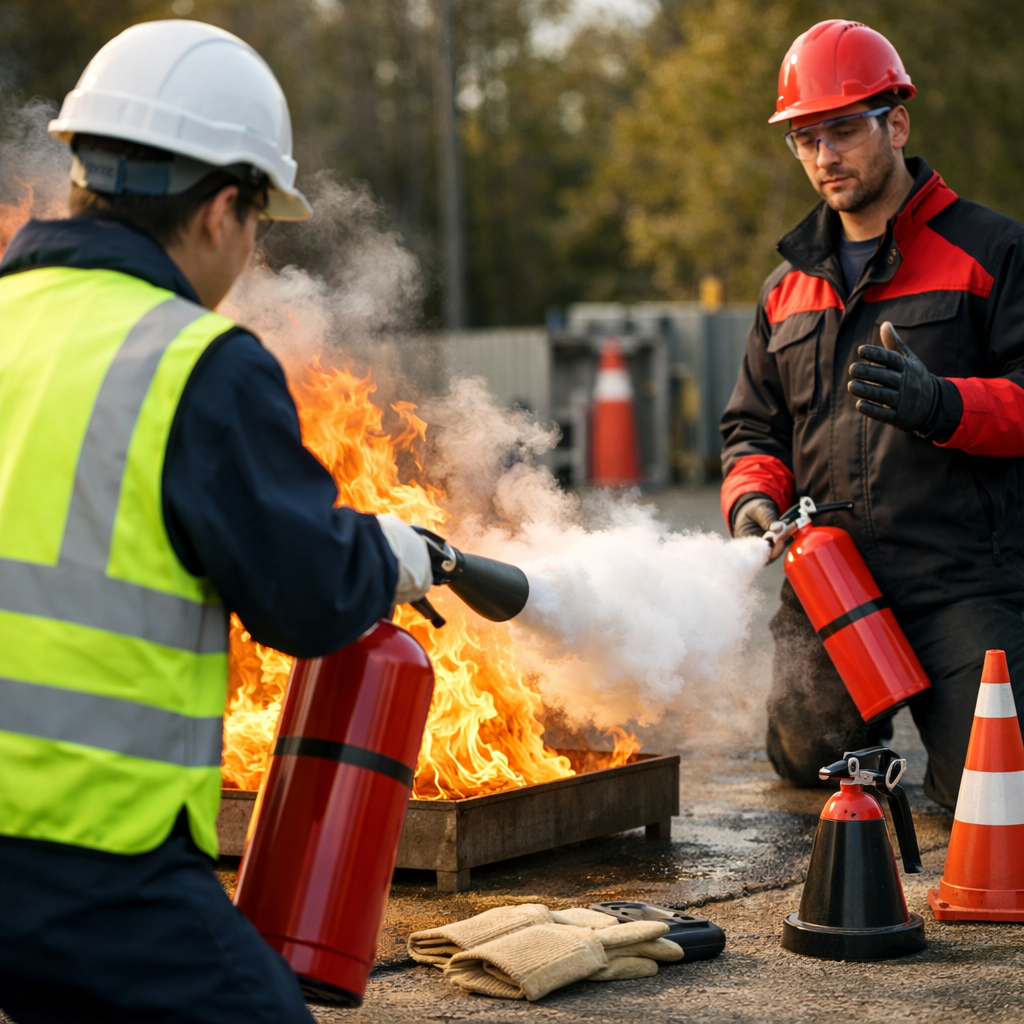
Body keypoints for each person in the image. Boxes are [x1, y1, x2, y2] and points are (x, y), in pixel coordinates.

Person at [0, 20, 432, 1024]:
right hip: (88, 863)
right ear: (224, 207)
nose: (248, 254)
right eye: (258, 224)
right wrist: (388, 556)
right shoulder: (193, 362)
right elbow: (306, 599)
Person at [720, 19, 1024, 810]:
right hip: (834, 582)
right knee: (805, 761)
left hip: (961, 579)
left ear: (897, 124)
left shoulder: (993, 252)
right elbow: (753, 430)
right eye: (805, 137)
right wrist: (753, 501)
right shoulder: (784, 291)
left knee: (991, 789)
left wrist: (944, 404)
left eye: (844, 130)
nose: (824, 155)